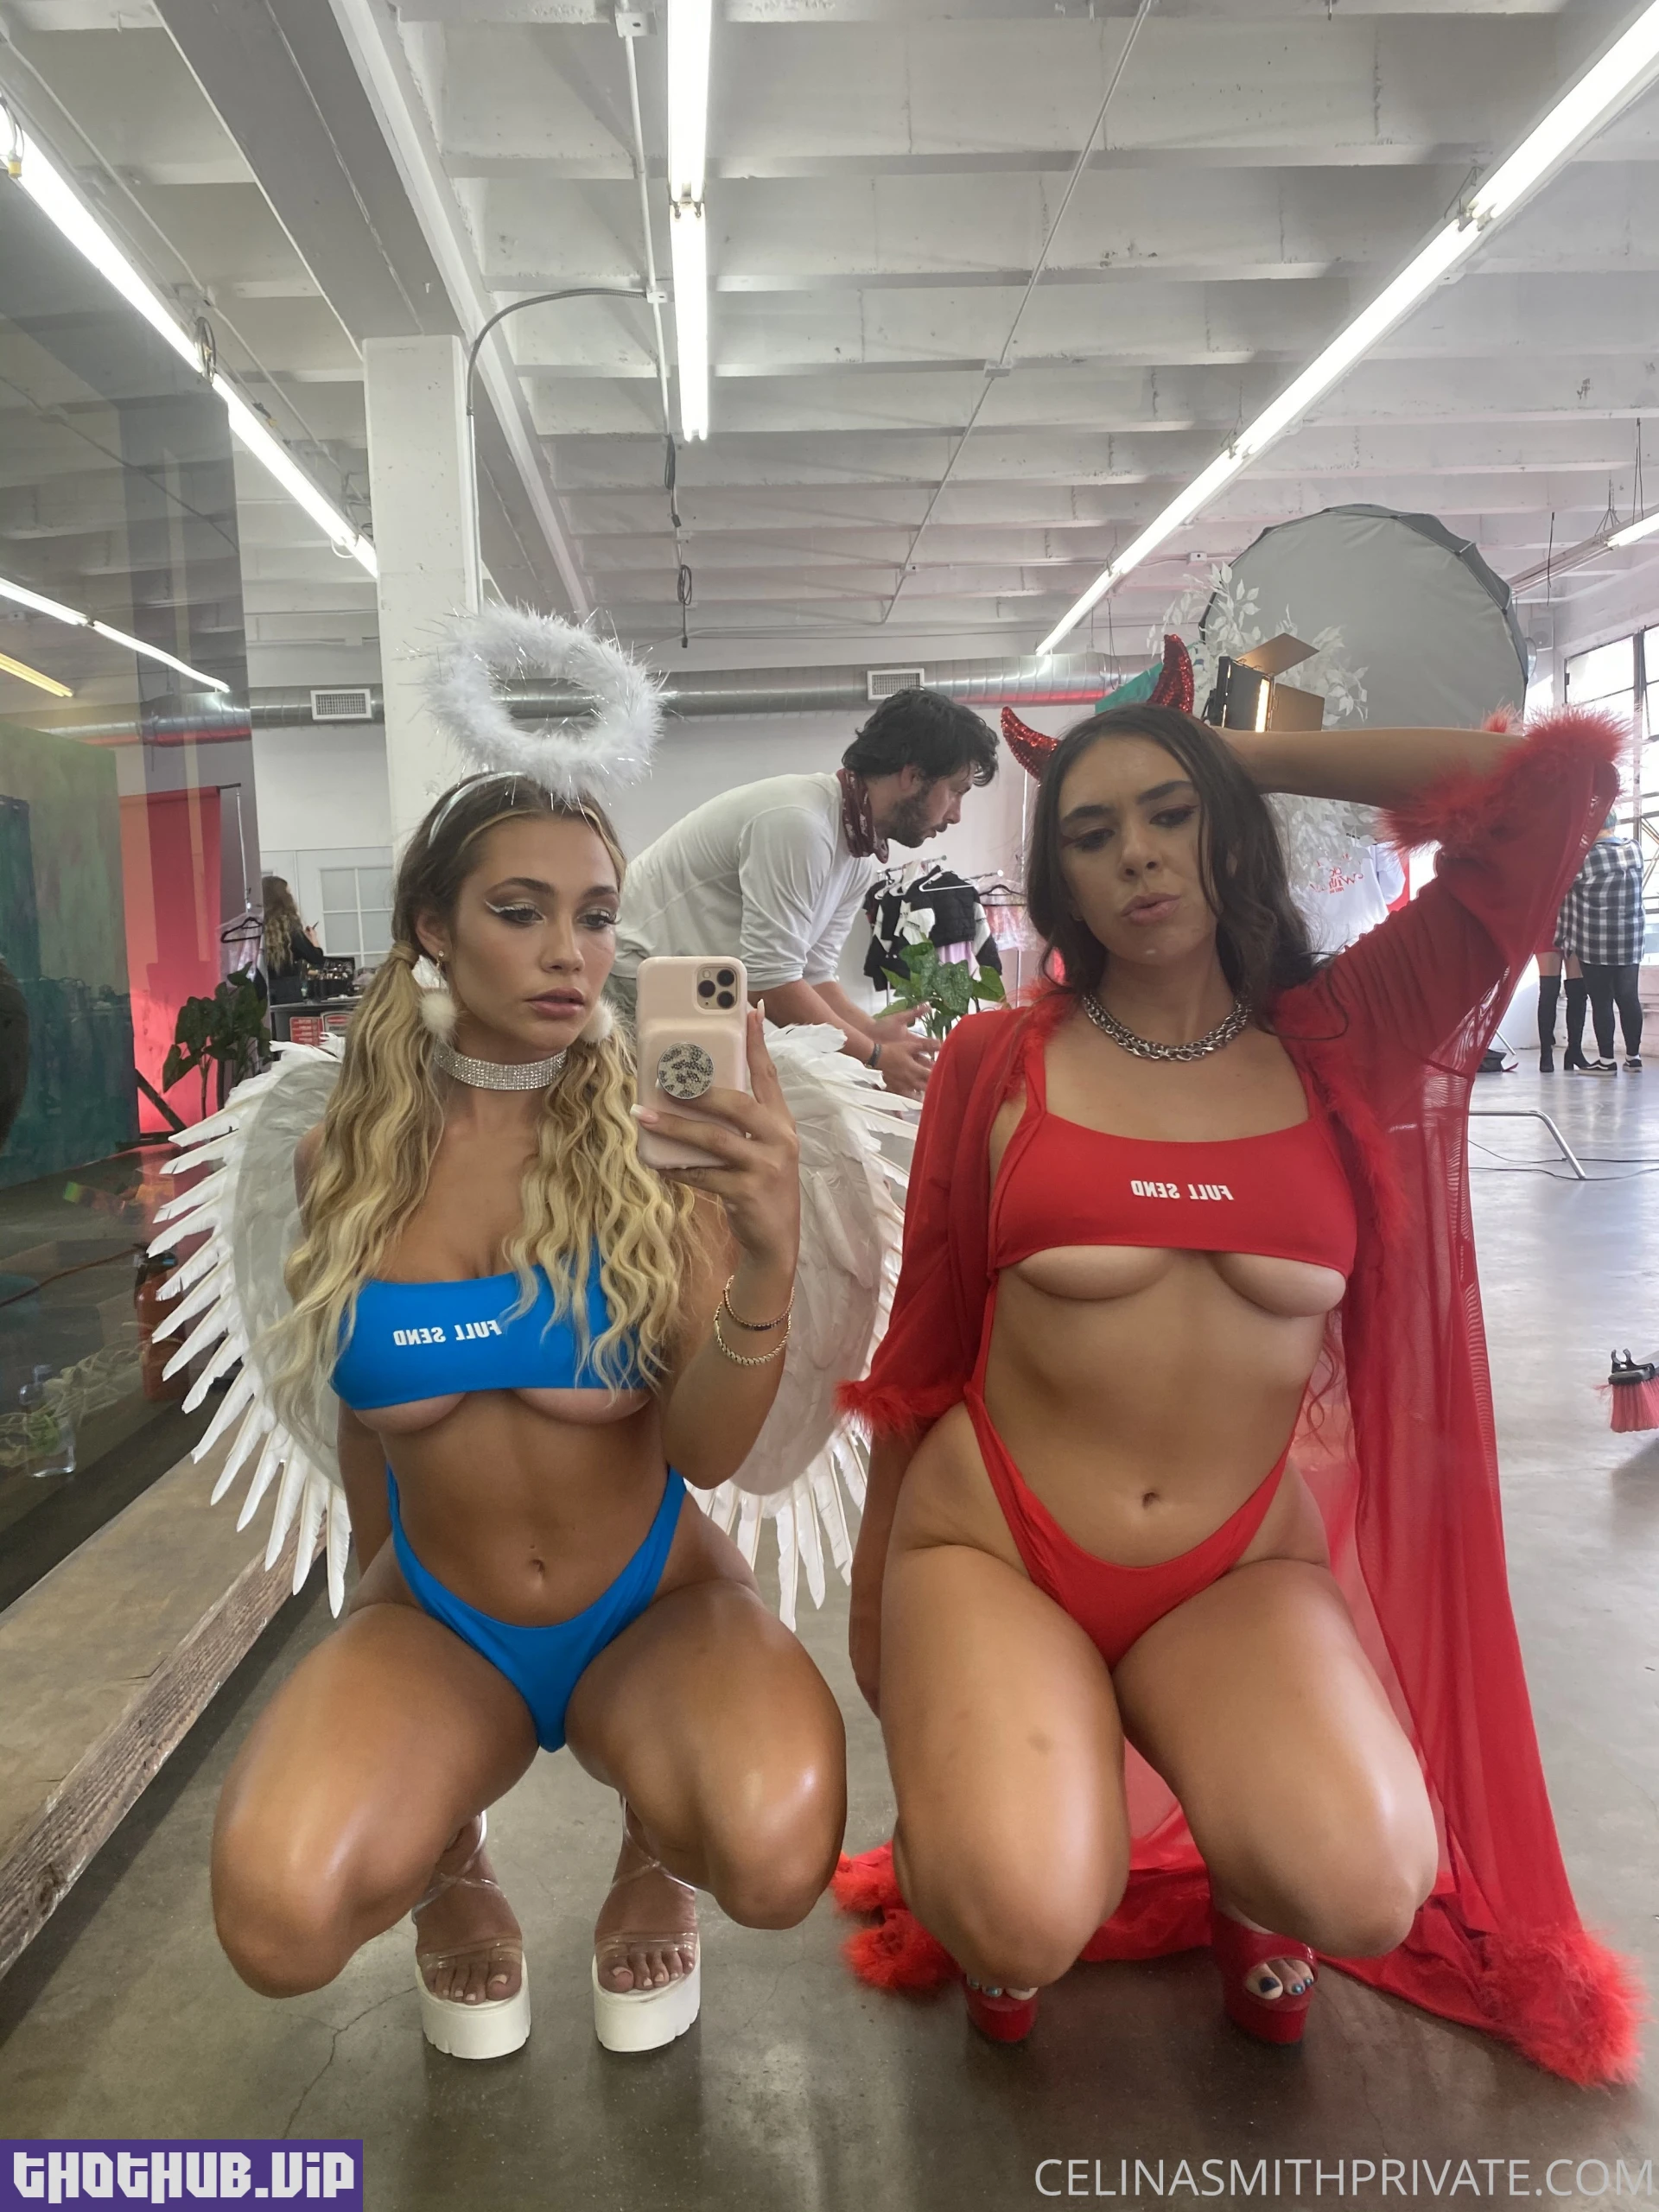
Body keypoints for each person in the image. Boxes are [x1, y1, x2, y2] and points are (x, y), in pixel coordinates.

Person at [839, 702, 1639, 2084]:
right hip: (997, 1546)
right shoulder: (995, 1063)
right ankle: (995, 1833)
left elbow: (1544, 795)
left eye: (1175, 814)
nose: (1141, 855)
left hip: (1230, 1568)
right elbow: (924, 1348)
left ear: (1231, 835)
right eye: (1093, 833)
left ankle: (1244, 1875)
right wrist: (877, 1606)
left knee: (1367, 1886)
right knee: (1017, 1912)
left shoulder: (1344, 1040)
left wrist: (1230, 752)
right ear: (1059, 878)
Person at [211, 773, 844, 2062]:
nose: (570, 951)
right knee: (278, 1924)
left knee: (775, 1860)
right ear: (432, 927)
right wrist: (375, 1610)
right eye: (520, 910)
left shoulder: (661, 1143)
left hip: (651, 1606)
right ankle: (455, 1858)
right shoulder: (343, 1161)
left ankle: (652, 1847)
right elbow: (366, 1421)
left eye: (597, 916)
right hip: (444, 1616)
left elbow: (704, 1450)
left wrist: (769, 1256)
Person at [611, 689, 999, 1097]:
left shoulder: (857, 856)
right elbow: (771, 982)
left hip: (685, 992)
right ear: (912, 775)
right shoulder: (799, 824)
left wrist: (871, 1031)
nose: (956, 814)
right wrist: (874, 1056)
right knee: (656, 1125)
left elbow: (813, 974)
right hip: (631, 984)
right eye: (956, 791)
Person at [1556, 811, 1645, 1072]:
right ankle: (1634, 1057)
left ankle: (1607, 1060)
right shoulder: (1635, 849)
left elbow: (1564, 891)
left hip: (1595, 940)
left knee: (1601, 1001)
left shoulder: (1584, 859)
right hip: (1630, 938)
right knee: (1629, 998)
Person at [261, 874, 327, 1005]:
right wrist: (313, 938)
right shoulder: (289, 927)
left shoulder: (255, 925)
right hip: (287, 992)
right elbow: (316, 959)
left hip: (261, 991)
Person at [1534, 940, 1585, 1074]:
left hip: (1575, 930)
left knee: (1578, 991)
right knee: (1548, 991)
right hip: (1548, 930)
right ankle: (1546, 1053)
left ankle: (1574, 1051)